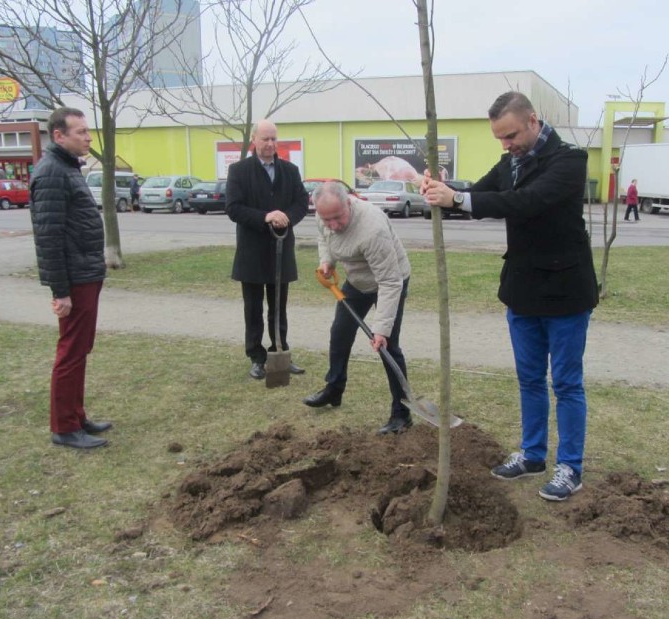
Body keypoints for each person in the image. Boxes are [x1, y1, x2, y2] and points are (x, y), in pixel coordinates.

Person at [421, 91, 599, 500]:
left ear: (533, 121)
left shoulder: (569, 161)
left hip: (566, 293)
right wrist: (440, 191)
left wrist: (460, 198)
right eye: (500, 138)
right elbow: (478, 196)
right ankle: (533, 454)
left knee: (567, 384)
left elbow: (525, 202)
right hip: (522, 291)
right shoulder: (510, 162)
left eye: (511, 135)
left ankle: (570, 467)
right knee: (529, 379)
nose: (506, 145)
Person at [30, 107, 112, 450]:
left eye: (88, 131)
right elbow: (48, 238)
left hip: (86, 273)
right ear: (59, 136)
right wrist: (60, 291)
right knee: (71, 351)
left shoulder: (67, 169)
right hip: (74, 279)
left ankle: (77, 416)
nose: (88, 137)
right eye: (80, 132)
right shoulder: (51, 173)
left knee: (81, 348)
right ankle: (64, 427)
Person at [303, 182, 413, 435]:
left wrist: (381, 329)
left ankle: (401, 413)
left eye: (337, 217)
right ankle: (334, 389)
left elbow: (390, 281)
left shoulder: (372, 229)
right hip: (357, 281)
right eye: (326, 218)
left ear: (349, 203)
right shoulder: (325, 217)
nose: (333, 224)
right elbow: (324, 236)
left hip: (389, 280)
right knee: (340, 334)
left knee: (388, 347)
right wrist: (327, 262)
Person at [226, 119, 308, 380]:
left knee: (278, 308)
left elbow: (301, 202)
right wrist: (265, 216)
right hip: (252, 252)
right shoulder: (239, 171)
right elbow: (234, 208)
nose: (271, 144)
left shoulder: (290, 170)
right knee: (253, 309)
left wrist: (286, 216)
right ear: (254, 140)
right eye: (265, 139)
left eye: (274, 139)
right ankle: (256, 357)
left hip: (281, 250)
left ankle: (280, 351)